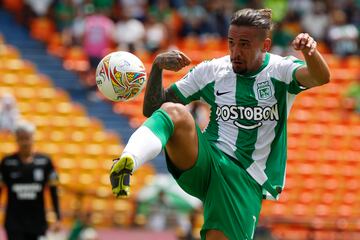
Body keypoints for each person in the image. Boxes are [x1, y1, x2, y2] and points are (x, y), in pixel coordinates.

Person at [110, 8, 330, 240]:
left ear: (265, 46)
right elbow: (153, 110)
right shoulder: (213, 70)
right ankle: (128, 161)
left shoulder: (280, 70)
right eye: (231, 42)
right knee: (172, 111)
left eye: (244, 44)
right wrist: (157, 67)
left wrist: (311, 52)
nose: (236, 51)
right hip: (206, 161)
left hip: (244, 178)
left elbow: (320, 77)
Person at [0, 121, 61, 240]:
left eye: (27, 138)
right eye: (21, 139)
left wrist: (57, 218)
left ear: (33, 138)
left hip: (38, 222)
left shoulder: (45, 162)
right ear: (16, 139)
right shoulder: (6, 162)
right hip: (14, 222)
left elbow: (54, 192)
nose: (24, 142)